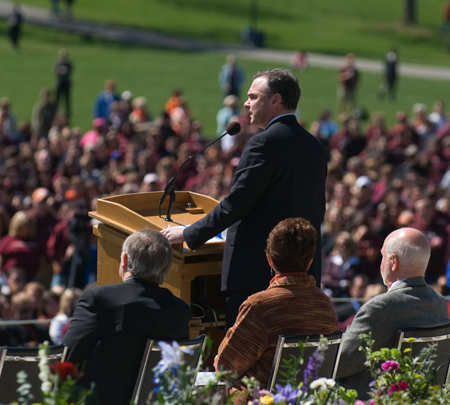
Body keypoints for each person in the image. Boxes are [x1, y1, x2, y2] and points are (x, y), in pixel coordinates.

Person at [162, 69, 327, 328]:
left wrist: (188, 233)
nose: (245, 103)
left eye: (253, 96)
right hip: (302, 274)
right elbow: (318, 210)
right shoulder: (314, 145)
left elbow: (237, 203)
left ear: (275, 100)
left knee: (245, 359)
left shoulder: (263, 143)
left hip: (256, 274)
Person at [214, 218, 337, 403]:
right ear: (310, 261)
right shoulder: (326, 306)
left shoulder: (260, 306)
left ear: (269, 260)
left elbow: (225, 367)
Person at [63, 229, 191, 405]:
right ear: (166, 267)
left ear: (124, 259)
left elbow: (66, 358)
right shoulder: (180, 310)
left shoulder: (99, 300)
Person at [336, 228, 450, 399]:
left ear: (393, 261)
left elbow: (339, 364)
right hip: (423, 399)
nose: (381, 262)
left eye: (383, 256)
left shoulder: (381, 307)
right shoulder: (439, 302)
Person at [54, 49, 73, 120]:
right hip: (59, 83)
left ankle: (67, 113)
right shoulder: (58, 63)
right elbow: (56, 71)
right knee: (57, 99)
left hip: (66, 84)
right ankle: (55, 111)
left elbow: (70, 71)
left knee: (67, 99)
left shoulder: (69, 64)